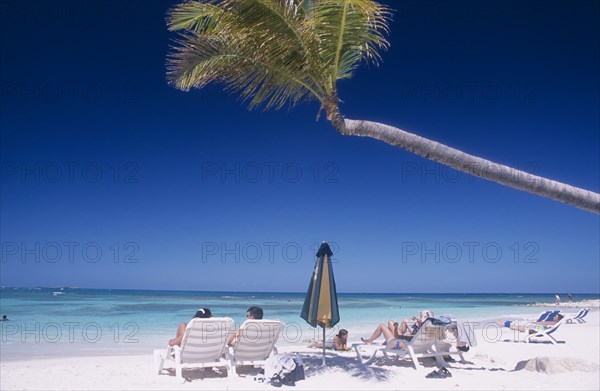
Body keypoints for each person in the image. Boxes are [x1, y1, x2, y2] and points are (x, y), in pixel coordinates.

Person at [361, 310, 434, 344]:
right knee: (392, 322)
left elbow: (398, 336)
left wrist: (396, 328)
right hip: (411, 343)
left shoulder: (419, 331)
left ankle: (370, 341)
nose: (418, 318)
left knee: (382, 325)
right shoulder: (428, 329)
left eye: (420, 317)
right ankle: (384, 341)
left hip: (400, 344)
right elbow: (413, 336)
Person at [498, 313, 564, 333]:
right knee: (519, 325)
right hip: (539, 328)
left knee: (519, 326)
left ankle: (505, 324)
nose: (554, 317)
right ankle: (505, 324)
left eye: (555, 316)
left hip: (537, 329)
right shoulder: (554, 323)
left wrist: (535, 323)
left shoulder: (553, 323)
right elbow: (544, 324)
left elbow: (543, 324)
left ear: (558, 319)